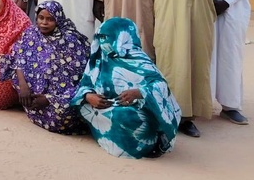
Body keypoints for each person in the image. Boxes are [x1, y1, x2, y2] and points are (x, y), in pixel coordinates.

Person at [149, 0, 218, 138]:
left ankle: (188, 117)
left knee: (196, 64)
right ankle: (168, 112)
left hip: (200, 21)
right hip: (170, 18)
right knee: (171, 64)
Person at [72, 18, 181, 159]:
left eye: (107, 37)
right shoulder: (98, 59)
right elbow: (84, 85)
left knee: (125, 117)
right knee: (83, 108)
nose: (103, 42)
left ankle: (146, 144)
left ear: (122, 37)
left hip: (136, 109)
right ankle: (111, 137)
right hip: (103, 106)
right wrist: (89, 96)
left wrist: (139, 93)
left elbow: (161, 87)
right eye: (100, 37)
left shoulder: (138, 58)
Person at [0, 1, 89, 134]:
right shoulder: (31, 33)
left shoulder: (71, 40)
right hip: (33, 91)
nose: (44, 23)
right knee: (14, 70)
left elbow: (80, 77)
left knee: (63, 119)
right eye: (41, 18)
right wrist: (23, 86)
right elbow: (19, 58)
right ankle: (34, 105)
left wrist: (49, 99)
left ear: (58, 19)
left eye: (50, 19)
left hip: (60, 95)